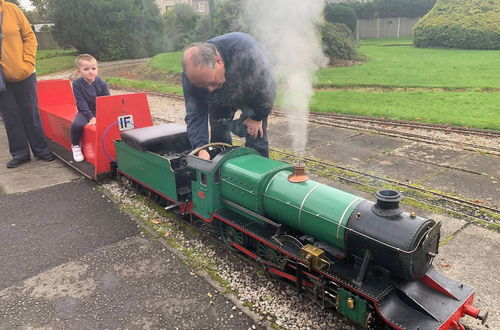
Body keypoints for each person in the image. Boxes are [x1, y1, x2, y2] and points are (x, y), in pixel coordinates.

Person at [182, 32, 276, 160]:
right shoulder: (191, 76)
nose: (210, 90)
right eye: (203, 86)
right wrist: (201, 148)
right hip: (220, 99)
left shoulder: (246, 51)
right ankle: (222, 171)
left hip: (251, 93)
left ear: (218, 61)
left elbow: (267, 85)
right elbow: (195, 113)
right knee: (219, 131)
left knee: (256, 136)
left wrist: (258, 116)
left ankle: (258, 169)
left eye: (211, 82)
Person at [0, 0, 55, 168]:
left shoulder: (12, 9)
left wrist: (28, 62)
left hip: (25, 73)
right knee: (10, 116)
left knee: (30, 112)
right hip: (1, 78)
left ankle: (41, 150)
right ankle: (20, 154)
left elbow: (30, 37)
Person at [70, 54, 110, 162]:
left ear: (97, 69)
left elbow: (106, 100)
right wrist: (91, 117)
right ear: (79, 71)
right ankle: (75, 146)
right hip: (85, 111)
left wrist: (103, 115)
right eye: (86, 69)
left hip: (100, 110)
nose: (90, 71)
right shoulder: (77, 84)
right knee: (76, 125)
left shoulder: (101, 83)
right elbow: (81, 103)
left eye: (93, 68)